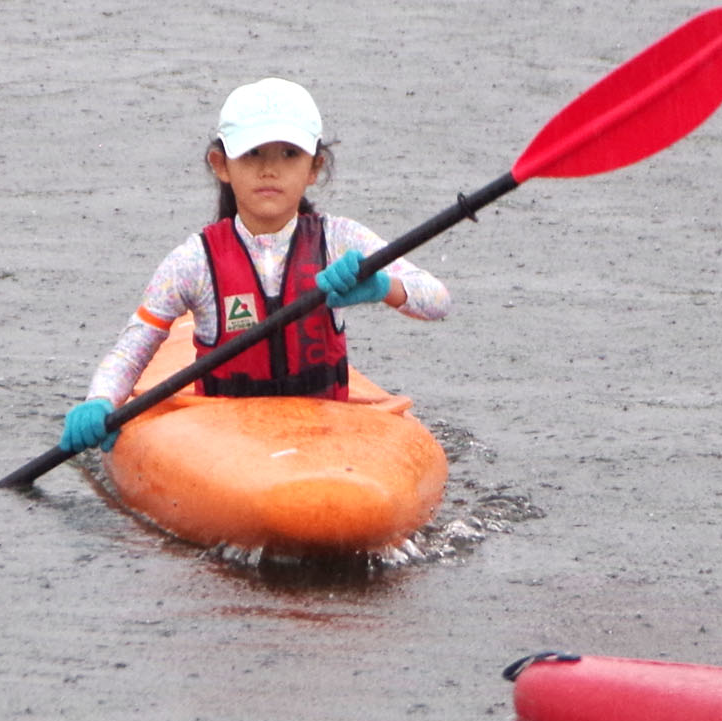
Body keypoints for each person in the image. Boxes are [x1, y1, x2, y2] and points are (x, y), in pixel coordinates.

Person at [56, 77, 450, 453]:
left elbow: (438, 301)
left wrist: (383, 288)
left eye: (289, 154)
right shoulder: (193, 262)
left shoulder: (341, 240)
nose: (269, 170)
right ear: (221, 165)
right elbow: (134, 347)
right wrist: (101, 399)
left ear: (314, 168)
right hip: (225, 439)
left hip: (326, 430)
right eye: (252, 154)